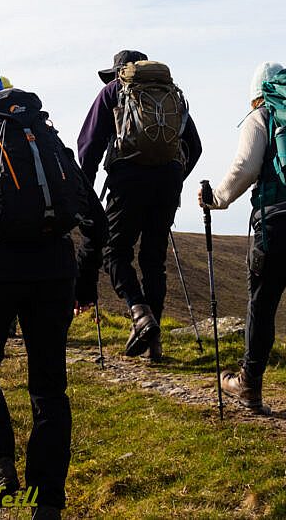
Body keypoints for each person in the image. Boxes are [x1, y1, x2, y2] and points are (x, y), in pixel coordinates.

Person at [0, 71, 106, 518]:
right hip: (54, 267)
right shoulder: (43, 135)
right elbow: (95, 218)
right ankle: (47, 500)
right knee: (50, 387)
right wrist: (84, 286)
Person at [199, 62, 286, 425]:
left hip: (277, 224)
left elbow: (245, 167)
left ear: (257, 93)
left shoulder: (263, 113)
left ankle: (249, 386)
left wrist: (216, 199)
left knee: (262, 304)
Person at [78, 49, 202, 360]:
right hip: (168, 180)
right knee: (153, 260)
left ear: (121, 70)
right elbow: (195, 146)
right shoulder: (170, 95)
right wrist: (174, 177)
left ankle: (139, 313)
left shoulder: (112, 92)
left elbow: (88, 147)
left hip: (128, 180)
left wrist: (86, 193)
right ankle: (153, 344)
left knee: (114, 251)